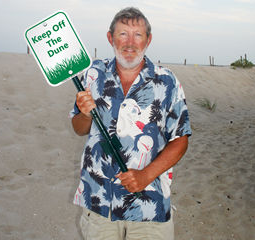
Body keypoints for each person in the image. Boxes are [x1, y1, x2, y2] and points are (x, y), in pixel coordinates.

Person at [69, 7, 192, 240]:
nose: (130, 42)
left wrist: (146, 175)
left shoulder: (166, 81)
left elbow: (181, 139)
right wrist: (84, 114)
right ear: (110, 38)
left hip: (149, 208)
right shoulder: (93, 74)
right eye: (123, 34)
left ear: (148, 40)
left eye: (138, 35)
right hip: (99, 204)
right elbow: (78, 128)